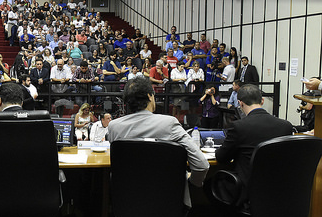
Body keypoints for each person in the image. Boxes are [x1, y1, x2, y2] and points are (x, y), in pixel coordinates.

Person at [107, 77, 209, 208]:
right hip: (168, 204)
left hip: (127, 203)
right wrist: (192, 182)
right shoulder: (169, 123)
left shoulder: (114, 126)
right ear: (150, 96)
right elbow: (202, 165)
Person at [212, 84, 293, 208]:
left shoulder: (239, 127)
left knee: (210, 184)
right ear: (262, 100)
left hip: (245, 190)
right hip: (278, 190)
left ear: (240, 103)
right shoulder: (285, 126)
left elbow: (221, 157)